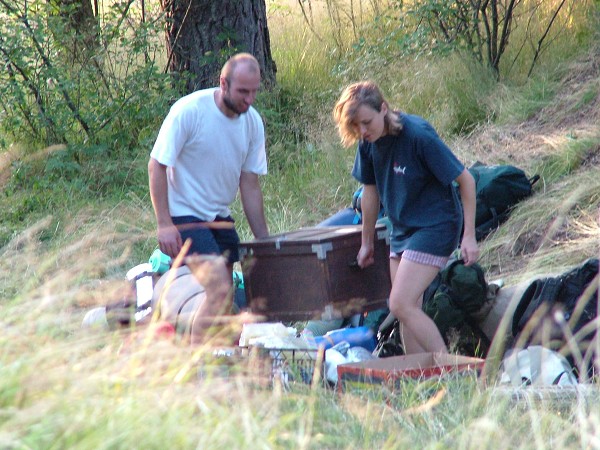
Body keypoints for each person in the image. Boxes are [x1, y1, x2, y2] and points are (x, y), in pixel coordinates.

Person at [332, 80, 479, 354]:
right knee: (407, 310)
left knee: (399, 303)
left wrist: (468, 236)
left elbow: (467, 181)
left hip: (436, 226)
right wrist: (367, 243)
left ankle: (450, 370)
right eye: (355, 126)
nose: (362, 131)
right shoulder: (368, 141)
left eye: (366, 122)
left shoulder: (417, 136)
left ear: (384, 109)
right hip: (402, 230)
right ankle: (418, 378)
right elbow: (370, 193)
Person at [148, 53, 269, 282]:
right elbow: (156, 166)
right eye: (243, 91)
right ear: (223, 83)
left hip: (219, 216)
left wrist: (264, 240)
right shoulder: (189, 111)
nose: (250, 99)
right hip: (184, 216)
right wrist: (164, 224)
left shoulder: (253, 122)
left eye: (254, 91)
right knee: (219, 289)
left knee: (226, 293)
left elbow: (250, 184)